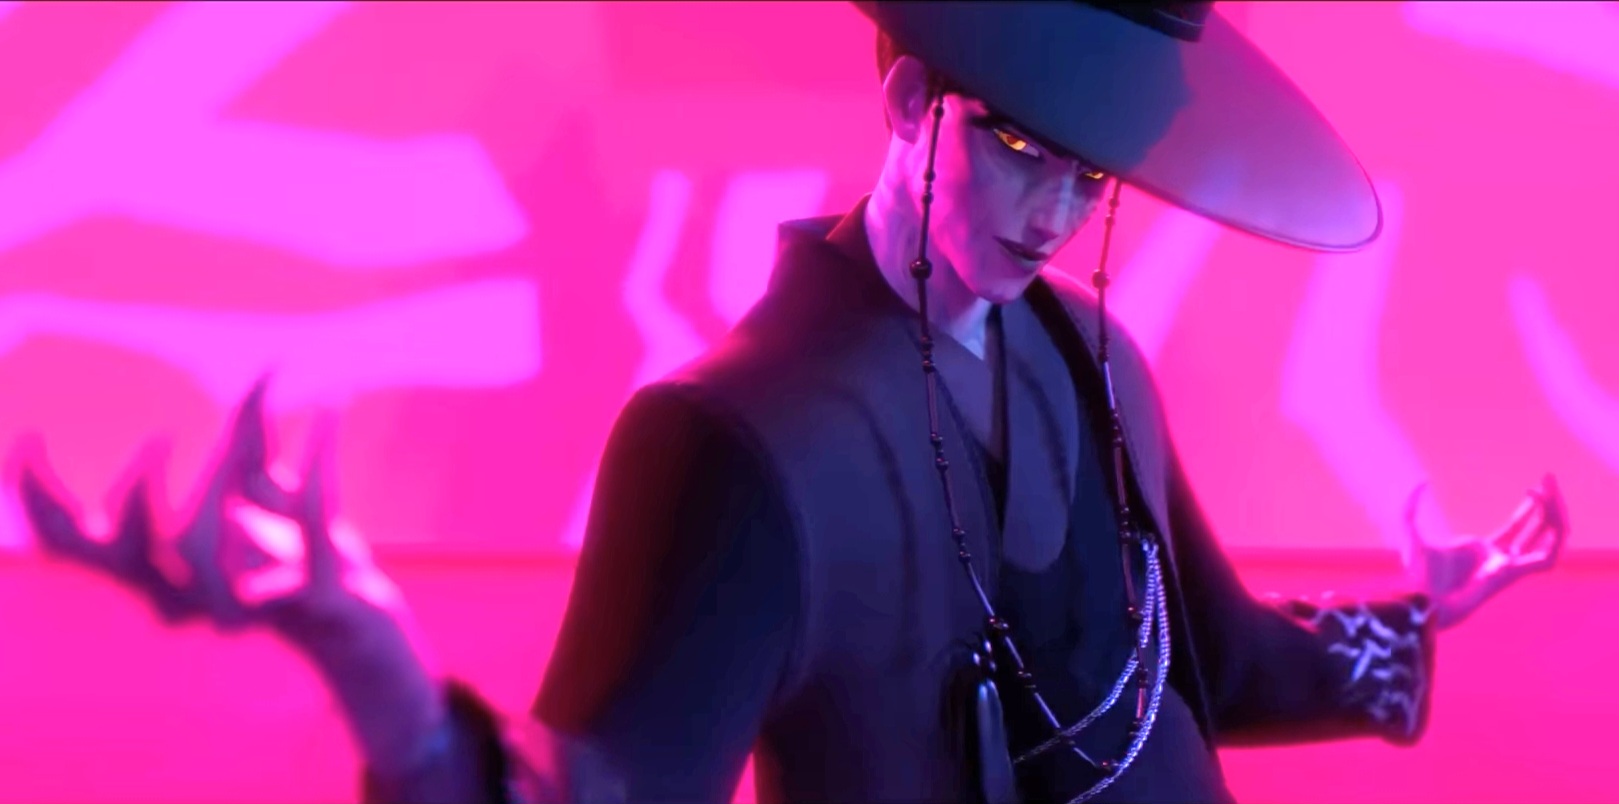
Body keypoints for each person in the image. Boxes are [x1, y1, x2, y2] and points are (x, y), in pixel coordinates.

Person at [10, 3, 1570, 803]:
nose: (1050, 211)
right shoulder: (738, 443)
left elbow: (1208, 660)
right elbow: (612, 789)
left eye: (1089, 174)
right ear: (909, 96)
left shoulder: (1095, 361)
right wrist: (389, 690)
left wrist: (1413, 617)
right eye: (1021, 147)